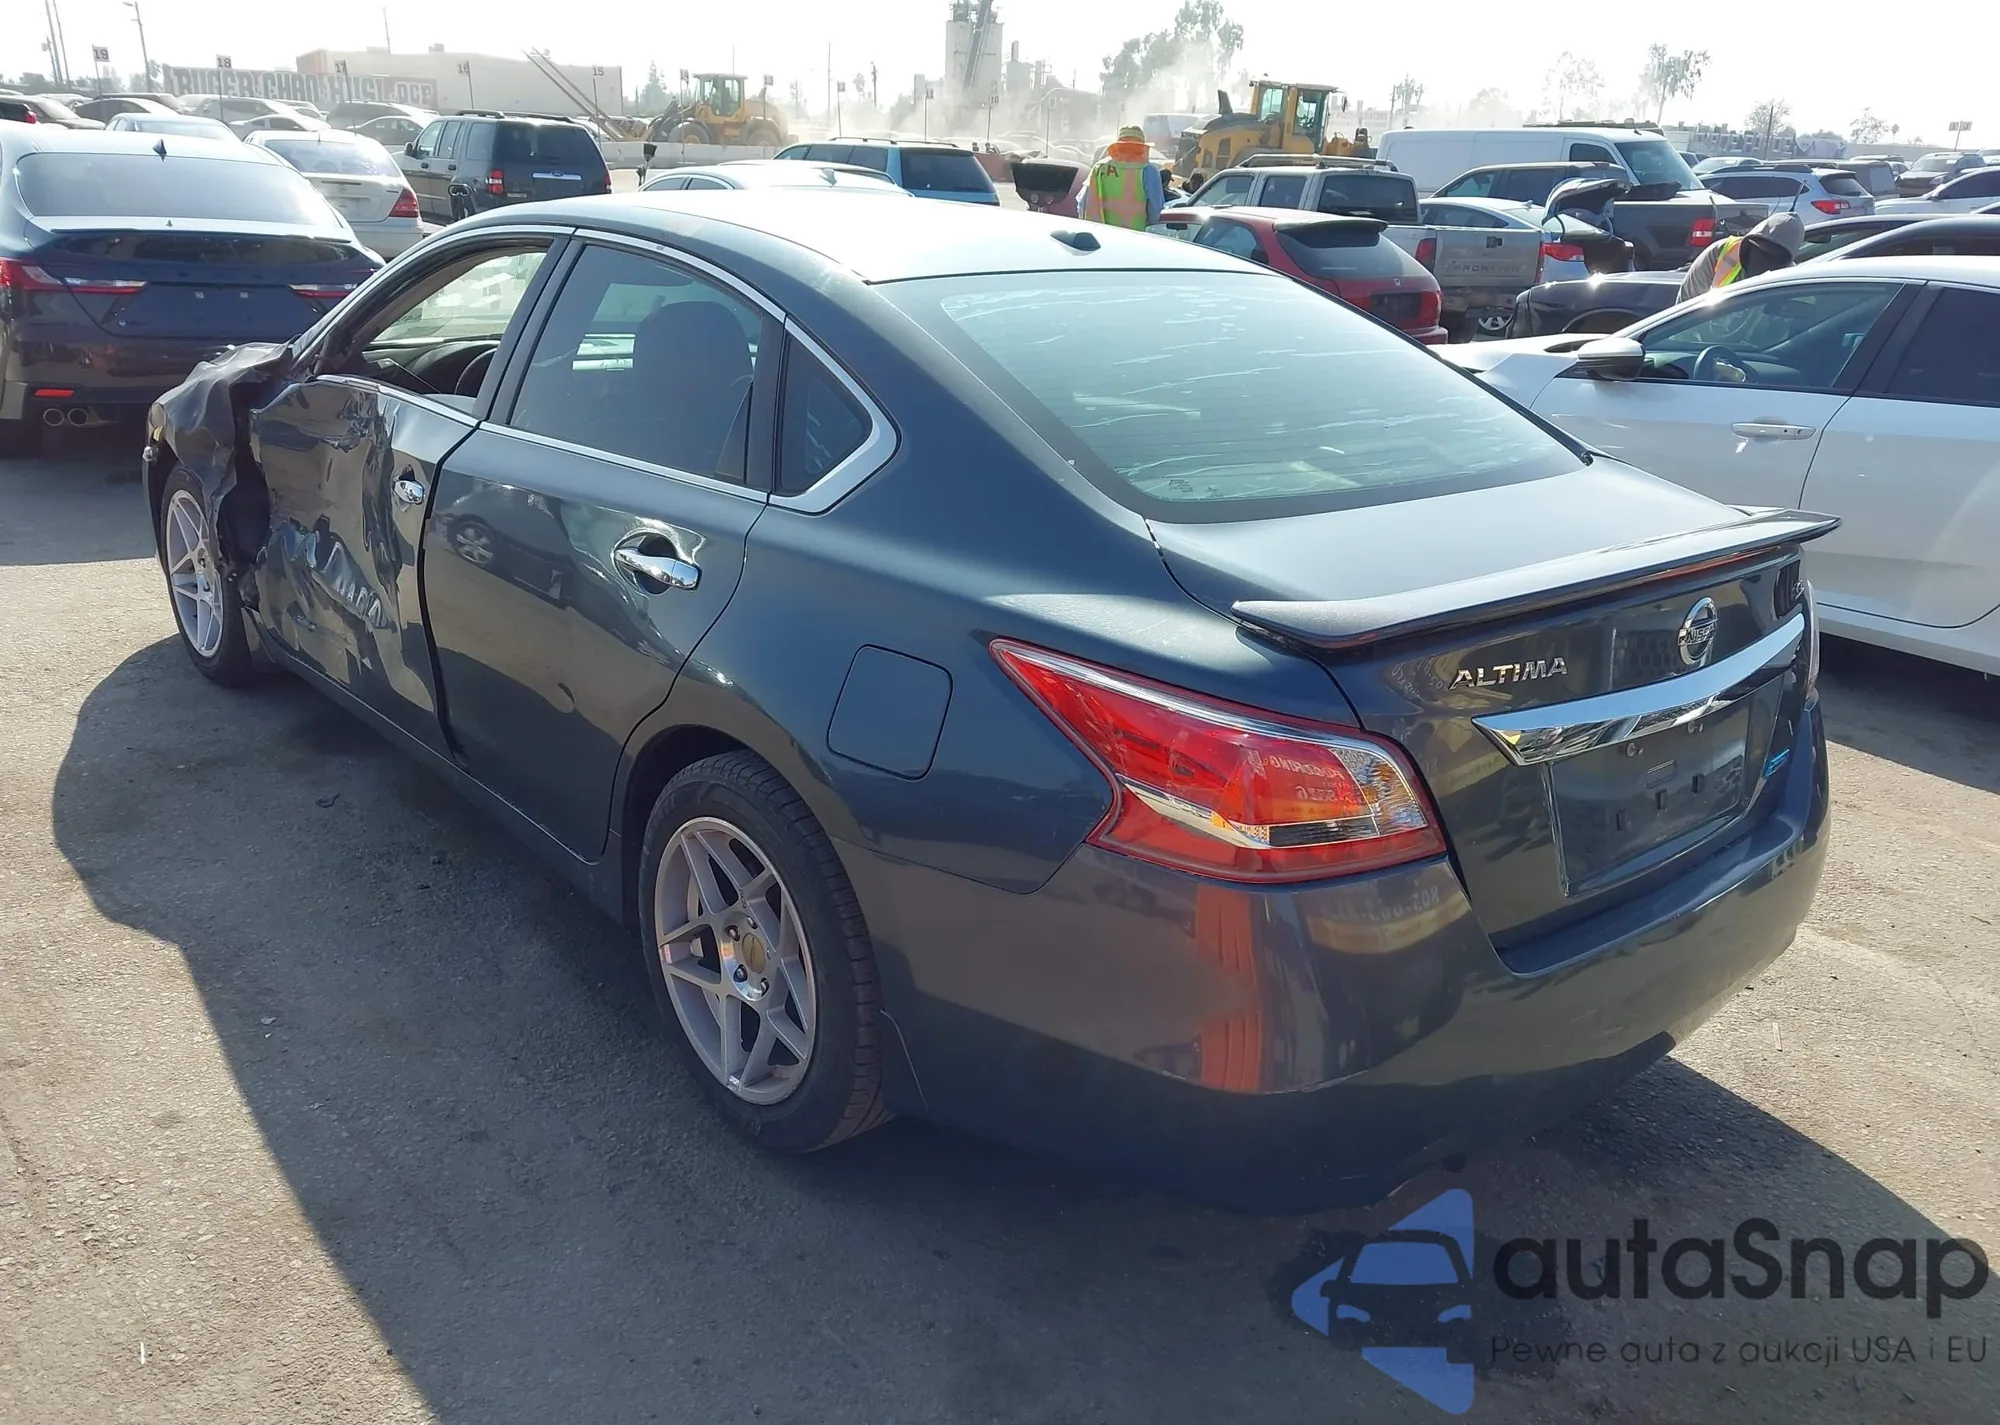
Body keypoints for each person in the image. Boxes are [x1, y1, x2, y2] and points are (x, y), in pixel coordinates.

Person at [1677, 212, 1805, 303]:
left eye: (1774, 256)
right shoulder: (1721, 251)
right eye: (1758, 247)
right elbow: (1687, 303)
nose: (1761, 259)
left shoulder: (1791, 283)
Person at [1082, 125, 1166, 230]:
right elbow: (1155, 212)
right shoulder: (1148, 170)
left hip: (1100, 234)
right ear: (1142, 147)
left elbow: (1083, 203)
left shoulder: (1099, 168)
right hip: (1133, 235)